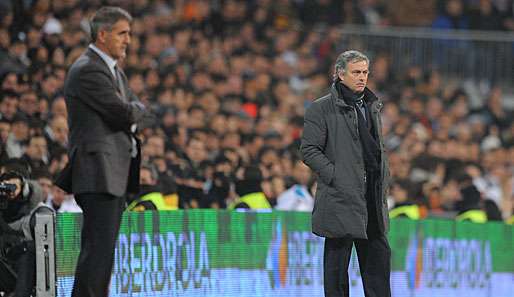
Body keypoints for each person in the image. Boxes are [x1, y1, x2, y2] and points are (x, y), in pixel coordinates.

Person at [55, 6, 146, 297]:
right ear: (103, 34)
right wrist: (134, 111)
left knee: (102, 255)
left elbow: (136, 110)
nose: (128, 40)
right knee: (96, 253)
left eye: (129, 34)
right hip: (98, 171)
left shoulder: (113, 71)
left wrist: (134, 111)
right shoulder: (89, 69)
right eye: (122, 33)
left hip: (111, 172)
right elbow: (124, 112)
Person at [301, 50, 391, 297]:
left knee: (378, 266)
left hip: (370, 195)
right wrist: (336, 175)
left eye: (365, 72)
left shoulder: (371, 106)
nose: (362, 78)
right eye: (356, 72)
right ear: (340, 74)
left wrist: (385, 178)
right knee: (337, 269)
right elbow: (309, 150)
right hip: (341, 197)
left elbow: (375, 149)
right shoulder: (321, 109)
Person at [0, 166, 48, 297]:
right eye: (5, 187)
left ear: (25, 189)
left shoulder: (40, 212)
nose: (9, 191)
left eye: (13, 187)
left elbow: (47, 246)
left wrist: (24, 247)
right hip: (6, 263)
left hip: (27, 267)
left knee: (27, 255)